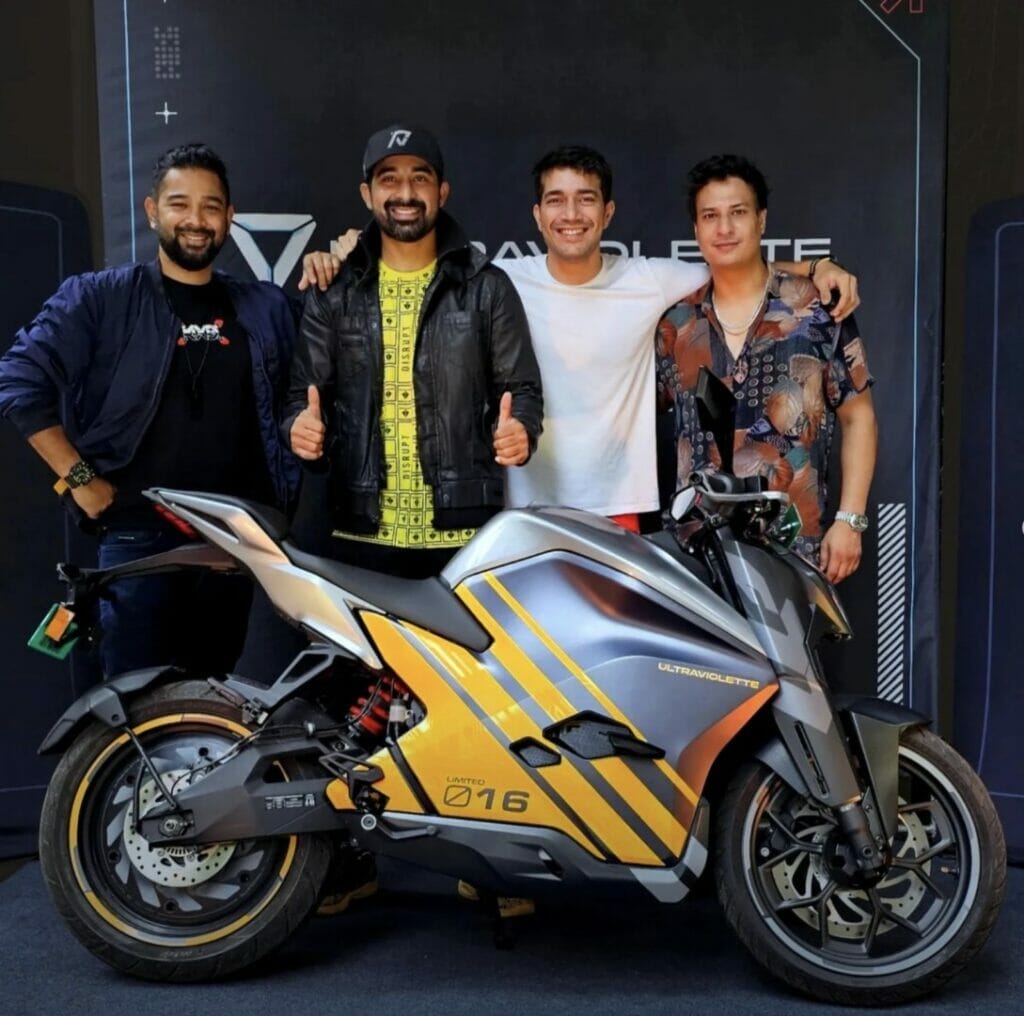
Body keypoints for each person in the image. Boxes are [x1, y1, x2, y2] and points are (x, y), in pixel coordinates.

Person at [305, 145, 857, 536]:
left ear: (608, 212)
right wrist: (343, 255)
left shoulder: (651, 280)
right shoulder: (498, 282)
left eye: (586, 199)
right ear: (537, 215)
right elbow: (411, 266)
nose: (571, 214)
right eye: (557, 201)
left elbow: (737, 261)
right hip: (523, 511)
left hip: (621, 511)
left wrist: (818, 265)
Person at [0, 142, 300, 676]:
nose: (196, 220)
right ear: (152, 210)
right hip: (140, 540)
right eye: (180, 204)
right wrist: (79, 478)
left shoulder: (265, 307)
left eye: (211, 207)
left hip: (231, 546)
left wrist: (341, 254)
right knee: (135, 710)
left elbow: (320, 359)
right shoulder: (101, 298)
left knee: (211, 707)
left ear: (229, 218)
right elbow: (18, 381)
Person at [284, 124, 542, 579]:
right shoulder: (334, 291)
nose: (405, 192)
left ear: (442, 191)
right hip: (355, 535)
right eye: (389, 179)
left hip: (465, 540)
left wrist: (520, 429)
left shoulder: (487, 288)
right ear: (367, 193)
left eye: (419, 178)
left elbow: (521, 390)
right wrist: (299, 428)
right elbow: (298, 400)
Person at [656, 154, 877, 581]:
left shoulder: (817, 309)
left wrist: (850, 521)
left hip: (795, 550)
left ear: (761, 220)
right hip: (696, 558)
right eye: (710, 216)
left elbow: (859, 417)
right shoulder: (675, 324)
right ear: (696, 230)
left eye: (737, 213)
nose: (724, 228)